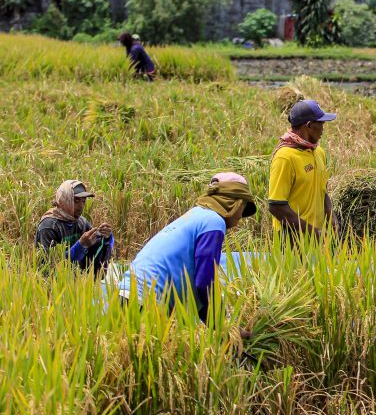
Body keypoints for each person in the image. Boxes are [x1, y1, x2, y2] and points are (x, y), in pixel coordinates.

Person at [118, 173, 256, 324]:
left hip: (127, 293)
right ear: (235, 202)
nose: (241, 216)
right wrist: (223, 325)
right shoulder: (214, 222)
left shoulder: (195, 215)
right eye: (243, 207)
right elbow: (205, 283)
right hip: (146, 300)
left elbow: (200, 291)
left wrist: (221, 326)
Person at [268, 100, 337, 239]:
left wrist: (331, 216)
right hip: (291, 239)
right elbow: (276, 206)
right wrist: (313, 232)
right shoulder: (285, 157)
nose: (323, 128)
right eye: (321, 123)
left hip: (317, 237)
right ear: (309, 125)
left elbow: (321, 190)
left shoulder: (318, 152)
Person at [35, 180, 114, 276]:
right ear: (64, 200)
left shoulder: (82, 222)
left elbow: (96, 252)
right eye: (76, 200)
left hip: (76, 279)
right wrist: (81, 246)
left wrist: (106, 238)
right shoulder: (49, 227)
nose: (81, 206)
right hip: (54, 284)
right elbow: (50, 266)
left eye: (83, 201)